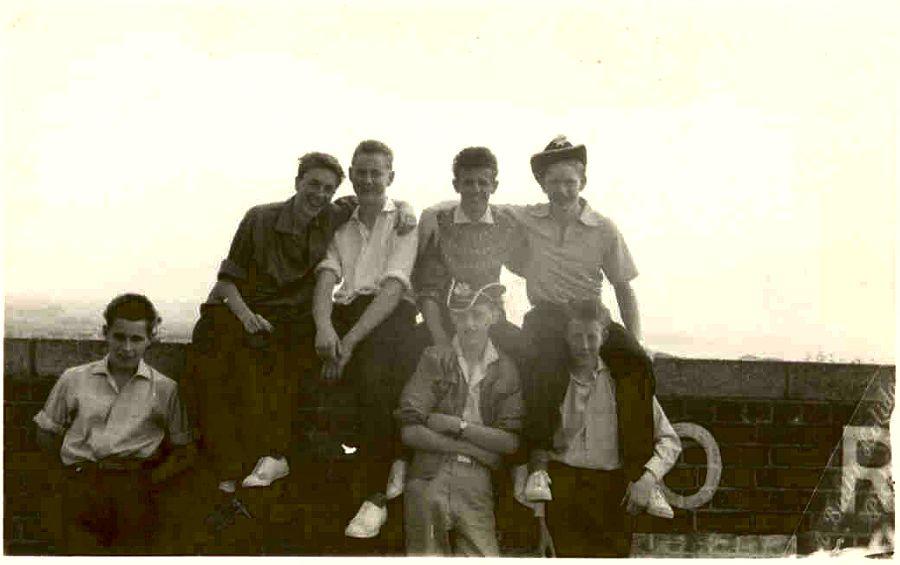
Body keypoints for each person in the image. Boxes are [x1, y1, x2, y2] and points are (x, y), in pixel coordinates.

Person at [185, 151, 415, 499]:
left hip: (290, 318)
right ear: (297, 183)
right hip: (242, 311)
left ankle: (283, 456)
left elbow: (377, 195)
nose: (319, 194)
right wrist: (247, 316)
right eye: (312, 185)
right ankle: (222, 465)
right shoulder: (260, 218)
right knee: (215, 359)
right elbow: (226, 281)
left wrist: (406, 207)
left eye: (327, 188)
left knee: (312, 364)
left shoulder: (333, 216)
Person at [312, 139, 418, 539]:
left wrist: (349, 342)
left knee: (374, 379)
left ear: (391, 177)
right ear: (352, 176)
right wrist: (326, 330)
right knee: (311, 370)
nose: (369, 180)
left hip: (389, 315)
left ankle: (375, 497)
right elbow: (326, 277)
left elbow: (392, 290)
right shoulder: (340, 222)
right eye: (362, 172)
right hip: (347, 310)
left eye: (377, 173)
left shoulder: (406, 222)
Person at [33, 294, 193, 553]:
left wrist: (147, 482)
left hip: (133, 491)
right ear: (106, 333)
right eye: (119, 337)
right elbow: (46, 433)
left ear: (150, 339)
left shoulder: (166, 389)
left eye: (137, 339)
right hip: (79, 486)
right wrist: (67, 477)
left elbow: (185, 450)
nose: (127, 348)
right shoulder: (73, 379)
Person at [522, 298, 681, 557]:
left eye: (591, 337)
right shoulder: (552, 386)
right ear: (566, 336)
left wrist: (646, 480)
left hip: (611, 495)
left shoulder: (626, 386)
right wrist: (541, 521)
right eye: (576, 336)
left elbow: (669, 440)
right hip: (563, 493)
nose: (584, 346)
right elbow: (536, 452)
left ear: (604, 336)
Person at [395, 280, 524, 556]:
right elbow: (410, 431)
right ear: (451, 318)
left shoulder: (505, 368)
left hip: (476, 480)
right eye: (460, 315)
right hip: (430, 472)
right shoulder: (435, 358)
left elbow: (510, 441)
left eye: (477, 314)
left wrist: (456, 425)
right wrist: (470, 448)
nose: (469, 325)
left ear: (494, 316)